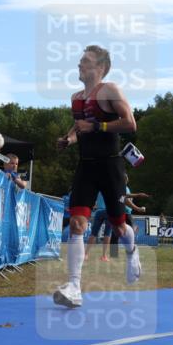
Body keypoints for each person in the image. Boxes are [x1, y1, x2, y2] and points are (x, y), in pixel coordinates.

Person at [53, 45, 141, 308]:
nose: (79, 65)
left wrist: (97, 126)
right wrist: (68, 139)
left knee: (119, 226)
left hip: (110, 167)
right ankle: (74, 286)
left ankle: (131, 252)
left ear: (100, 68)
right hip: (86, 166)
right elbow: (78, 126)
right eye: (80, 61)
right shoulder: (76, 97)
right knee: (77, 224)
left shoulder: (110, 90)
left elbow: (130, 124)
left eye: (86, 62)